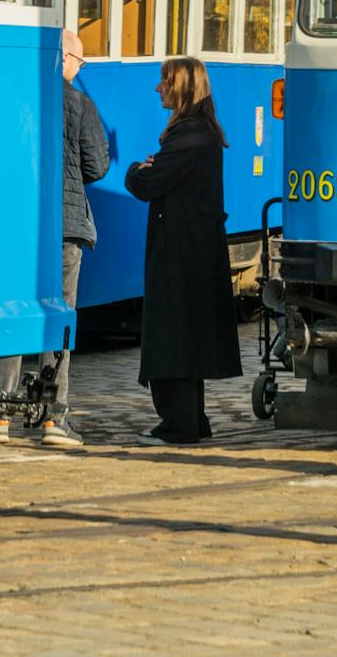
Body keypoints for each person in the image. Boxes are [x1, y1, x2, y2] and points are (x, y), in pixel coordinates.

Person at [0, 29, 109, 448]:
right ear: (64, 59)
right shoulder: (80, 103)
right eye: (80, 62)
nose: (79, 69)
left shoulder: (17, 95)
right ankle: (53, 418)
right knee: (60, 318)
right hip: (65, 226)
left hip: (17, 226)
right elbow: (98, 165)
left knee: (11, 313)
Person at [125, 57, 242, 445]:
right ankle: (192, 419)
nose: (158, 88)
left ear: (182, 88)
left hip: (181, 249)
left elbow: (147, 183)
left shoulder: (187, 135)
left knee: (171, 331)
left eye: (164, 81)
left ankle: (178, 422)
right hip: (195, 246)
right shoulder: (202, 132)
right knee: (188, 333)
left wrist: (135, 170)